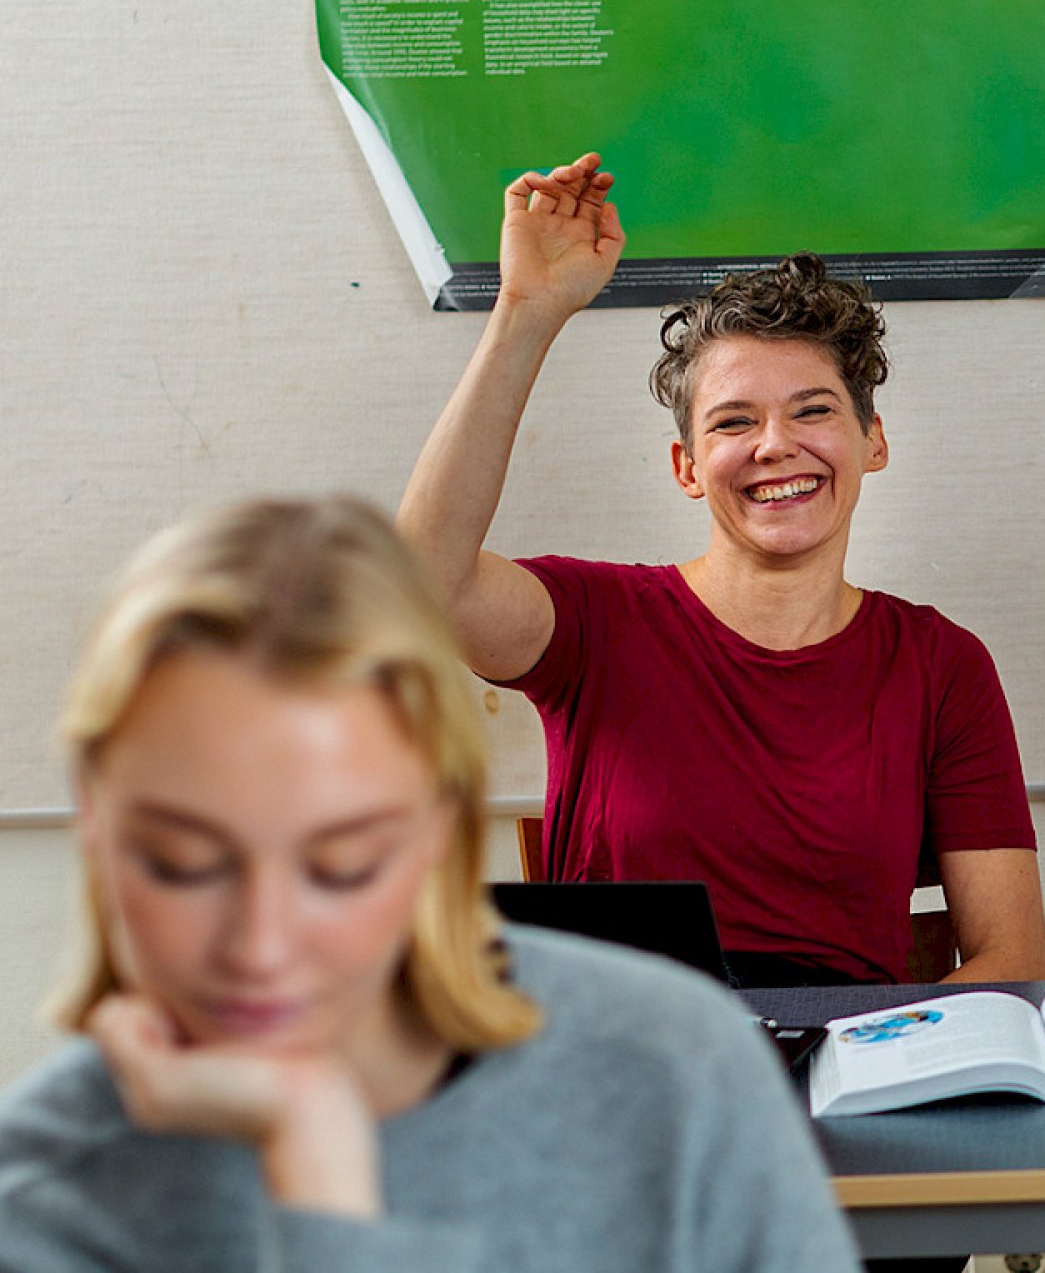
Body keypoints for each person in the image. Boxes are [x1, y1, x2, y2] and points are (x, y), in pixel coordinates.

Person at [0, 497, 859, 1271]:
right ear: (95, 825)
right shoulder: (44, 1190)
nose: (262, 944)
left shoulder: (677, 1066)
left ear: (437, 833)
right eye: (186, 864)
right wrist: (316, 1166)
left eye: (343, 865)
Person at [398, 152, 1045, 987]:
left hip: (847, 1078)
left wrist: (874, 1060)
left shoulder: (942, 664)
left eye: (813, 410)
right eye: (734, 421)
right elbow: (420, 581)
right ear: (687, 465)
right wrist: (524, 312)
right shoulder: (598, 621)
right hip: (621, 1067)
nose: (776, 445)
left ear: (872, 442)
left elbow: (1013, 961)